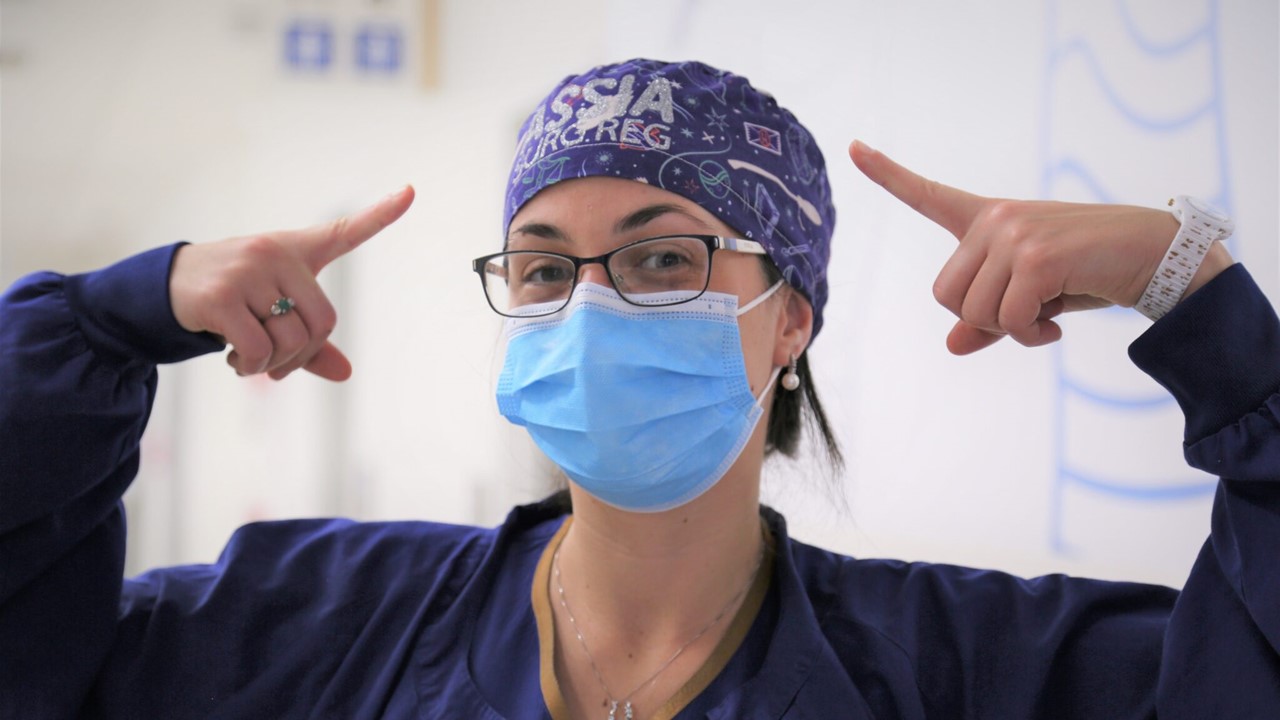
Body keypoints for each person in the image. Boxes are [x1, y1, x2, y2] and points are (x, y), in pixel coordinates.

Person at [1, 58, 1276, 720]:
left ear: (790, 318)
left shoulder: (971, 671)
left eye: (662, 259)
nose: (590, 307)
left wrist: (1195, 293)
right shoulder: (311, 623)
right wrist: (108, 321)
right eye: (544, 268)